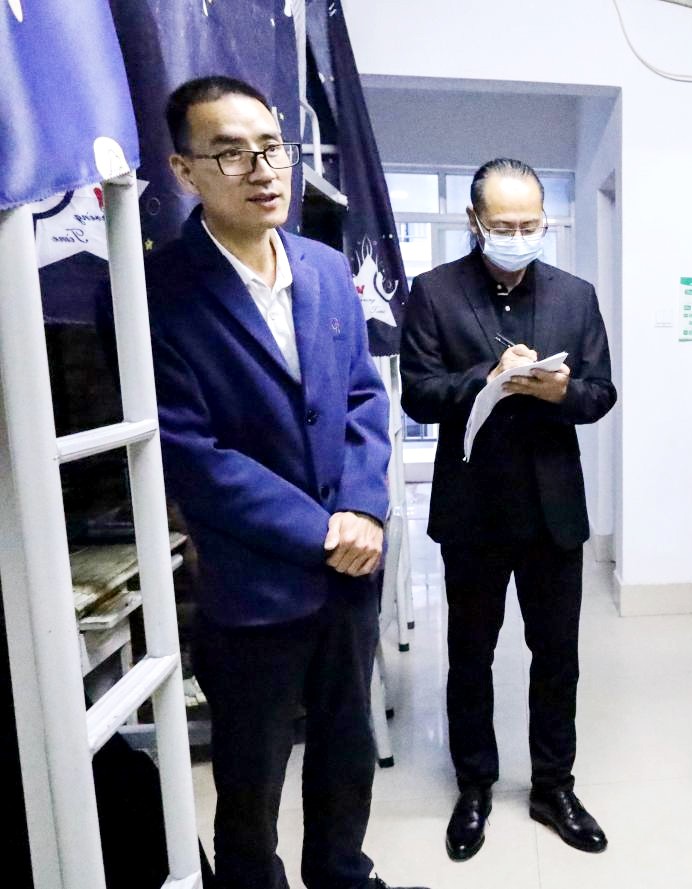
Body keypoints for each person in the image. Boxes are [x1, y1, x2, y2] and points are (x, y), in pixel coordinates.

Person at [145, 76, 425, 889]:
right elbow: (192, 452)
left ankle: (342, 875)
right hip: (254, 581)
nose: (263, 170)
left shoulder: (326, 268)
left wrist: (363, 507)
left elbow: (364, 397)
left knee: (345, 748)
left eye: (272, 148)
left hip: (350, 572)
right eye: (230, 153)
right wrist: (322, 529)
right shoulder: (156, 292)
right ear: (184, 170)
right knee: (251, 775)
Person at [400, 158, 617, 861]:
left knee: (557, 657)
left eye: (530, 224)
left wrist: (559, 392)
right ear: (475, 221)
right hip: (473, 508)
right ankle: (473, 785)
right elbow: (417, 394)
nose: (518, 236)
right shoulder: (435, 292)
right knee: (470, 655)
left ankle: (554, 786)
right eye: (504, 225)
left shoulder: (575, 296)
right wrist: (485, 379)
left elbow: (600, 392)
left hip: (553, 510)